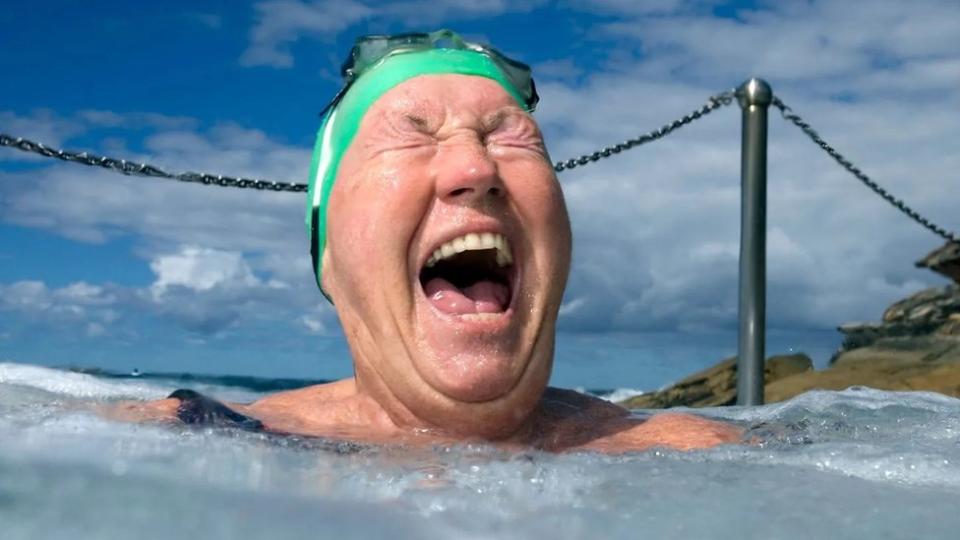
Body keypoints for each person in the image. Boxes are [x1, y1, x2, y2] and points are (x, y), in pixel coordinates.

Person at [115, 30, 741, 452]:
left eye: (510, 138)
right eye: (413, 134)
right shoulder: (196, 438)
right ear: (328, 256)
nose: (476, 170)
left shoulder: (701, 450)